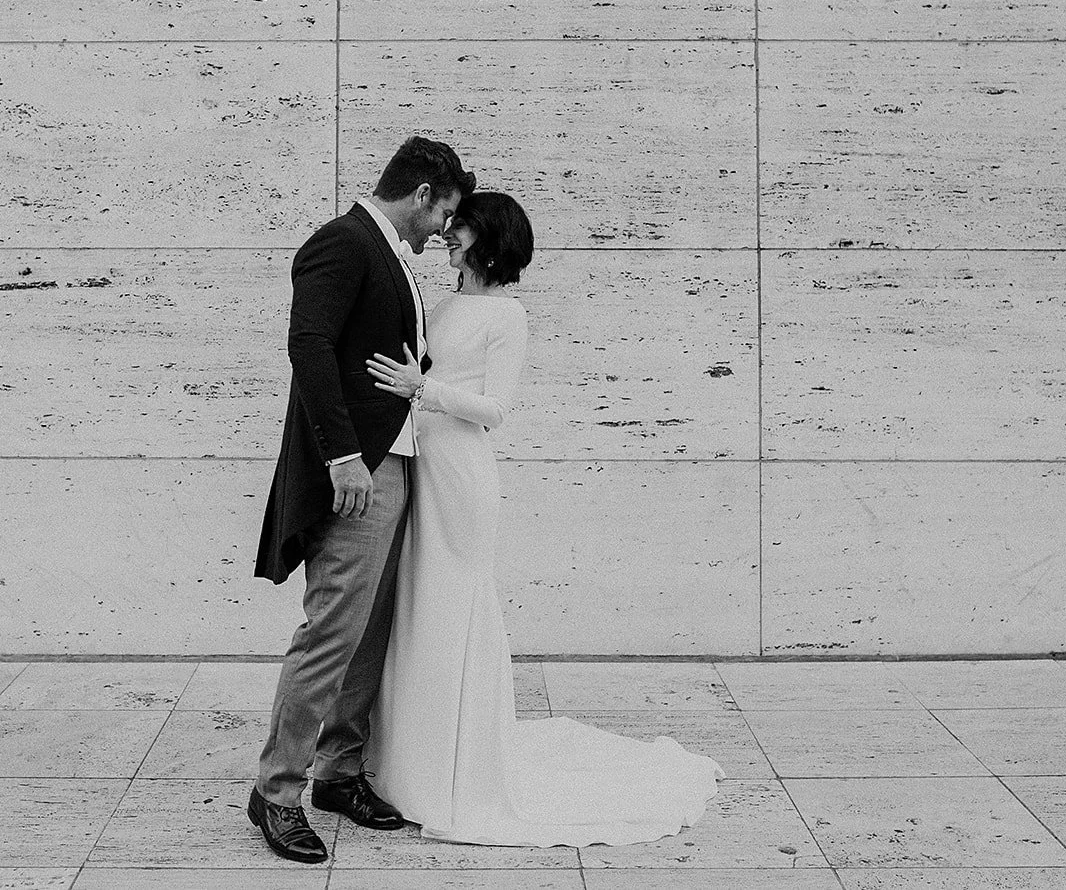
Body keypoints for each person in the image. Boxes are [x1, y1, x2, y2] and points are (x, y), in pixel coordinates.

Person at [362, 191, 724, 847]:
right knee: (421, 607)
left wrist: (424, 389)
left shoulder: (508, 315)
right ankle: (412, 764)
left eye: (461, 227)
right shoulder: (446, 305)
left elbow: (496, 408)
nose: (448, 233)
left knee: (455, 606)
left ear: (489, 239)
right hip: (424, 464)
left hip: (461, 476)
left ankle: (456, 772)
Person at [250, 135, 475, 864]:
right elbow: (308, 344)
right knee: (332, 633)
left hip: (397, 463)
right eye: (443, 212)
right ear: (421, 193)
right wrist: (342, 456)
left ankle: (339, 773)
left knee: (370, 633)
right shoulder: (342, 243)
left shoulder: (390, 255)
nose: (443, 229)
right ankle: (276, 791)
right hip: (357, 473)